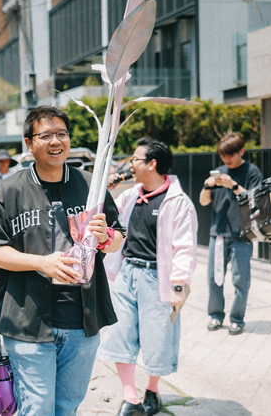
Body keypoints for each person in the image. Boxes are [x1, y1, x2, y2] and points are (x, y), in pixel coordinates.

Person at [0, 105, 124, 415]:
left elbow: (118, 239)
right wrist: (41, 263)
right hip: (27, 319)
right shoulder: (9, 191)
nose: (56, 141)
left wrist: (105, 236)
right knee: (37, 408)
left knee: (67, 407)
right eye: (45, 135)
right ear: (29, 143)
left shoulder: (91, 185)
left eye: (62, 133)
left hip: (81, 321)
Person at [98, 137, 198, 416]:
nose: (130, 164)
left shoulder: (178, 202)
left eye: (135, 159)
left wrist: (179, 286)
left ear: (152, 164)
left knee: (158, 338)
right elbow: (107, 219)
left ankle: (152, 389)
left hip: (158, 278)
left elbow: (185, 247)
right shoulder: (131, 195)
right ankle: (130, 398)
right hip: (127, 273)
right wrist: (107, 193)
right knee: (119, 334)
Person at [200, 132, 262, 336]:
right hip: (218, 233)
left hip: (242, 234)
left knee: (240, 279)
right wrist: (207, 186)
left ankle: (237, 319)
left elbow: (254, 200)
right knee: (213, 278)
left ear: (241, 151)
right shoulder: (218, 172)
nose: (226, 159)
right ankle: (216, 315)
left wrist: (233, 186)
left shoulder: (252, 171)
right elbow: (203, 202)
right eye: (223, 155)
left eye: (230, 155)